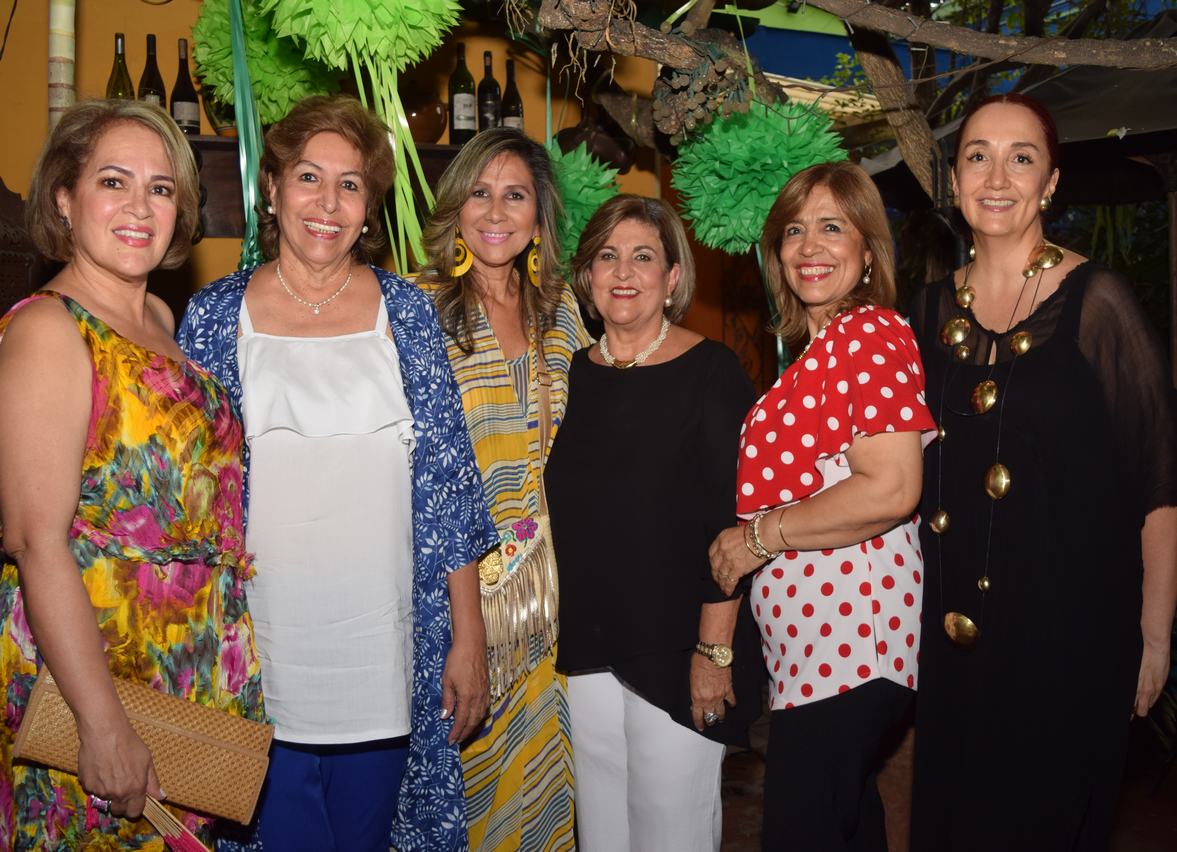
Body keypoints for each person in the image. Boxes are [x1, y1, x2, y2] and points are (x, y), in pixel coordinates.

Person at [177, 95, 497, 852]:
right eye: (309, 178)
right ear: (274, 188)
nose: (327, 203)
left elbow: (449, 488)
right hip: (258, 657)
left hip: (386, 654)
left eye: (350, 185)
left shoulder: (408, 315)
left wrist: (468, 639)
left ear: (369, 207)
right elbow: (192, 500)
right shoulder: (213, 317)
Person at [909, 93, 1177, 851]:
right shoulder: (924, 312)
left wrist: (1153, 637)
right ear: (953, 179)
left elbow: (1160, 482)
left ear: (1050, 182)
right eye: (976, 155)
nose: (997, 175)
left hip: (1069, 636)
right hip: (952, 641)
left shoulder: (1099, 303)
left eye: (1020, 157)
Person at [0, 99, 264, 848]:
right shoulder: (49, 330)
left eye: (161, 188)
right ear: (64, 197)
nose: (139, 208)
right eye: (113, 182)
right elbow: (35, 540)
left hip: (181, 672)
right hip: (88, 678)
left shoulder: (158, 319)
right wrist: (102, 723)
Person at [708, 161, 937, 850]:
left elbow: (891, 486)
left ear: (867, 250)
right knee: (848, 827)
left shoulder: (866, 333)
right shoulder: (818, 351)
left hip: (850, 648)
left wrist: (756, 540)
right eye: (794, 231)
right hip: (816, 657)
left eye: (832, 227)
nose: (809, 246)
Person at [544, 194, 762, 851]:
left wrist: (712, 654)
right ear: (585, 278)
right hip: (582, 651)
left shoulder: (712, 373)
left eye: (643, 257)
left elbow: (732, 526)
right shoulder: (568, 376)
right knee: (602, 837)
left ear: (672, 278)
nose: (623, 272)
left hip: (678, 651)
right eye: (606, 256)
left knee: (672, 831)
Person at [416, 127, 590, 851]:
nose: (495, 211)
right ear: (455, 207)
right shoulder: (415, 310)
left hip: (558, 605)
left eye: (513, 194)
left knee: (553, 794)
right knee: (466, 795)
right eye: (478, 193)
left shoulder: (566, 312)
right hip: (454, 602)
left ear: (538, 215)